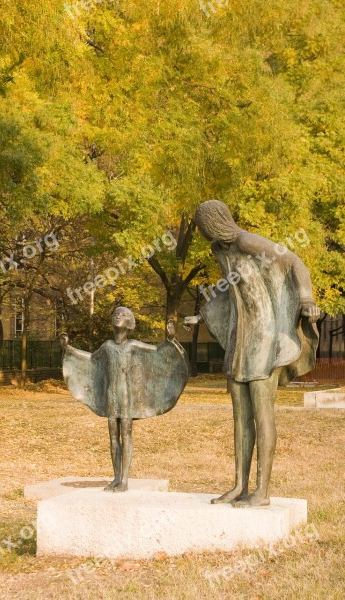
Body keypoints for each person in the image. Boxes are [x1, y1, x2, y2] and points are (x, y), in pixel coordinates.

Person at [184, 200, 320, 507]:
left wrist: (306, 298)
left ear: (216, 221)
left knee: (262, 412)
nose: (204, 233)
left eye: (204, 226)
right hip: (240, 337)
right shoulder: (222, 250)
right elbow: (229, 289)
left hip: (266, 337)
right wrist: (202, 316)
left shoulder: (246, 240)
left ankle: (262, 492)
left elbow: (295, 262)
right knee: (241, 417)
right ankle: (238, 485)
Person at [61, 307, 188, 492]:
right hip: (111, 396)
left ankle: (125, 480)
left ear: (129, 324)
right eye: (116, 314)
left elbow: (158, 351)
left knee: (126, 435)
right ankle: (116, 477)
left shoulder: (133, 345)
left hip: (127, 396)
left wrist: (170, 338)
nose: (118, 316)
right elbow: (89, 359)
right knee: (113, 437)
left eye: (123, 315)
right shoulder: (107, 346)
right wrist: (67, 348)